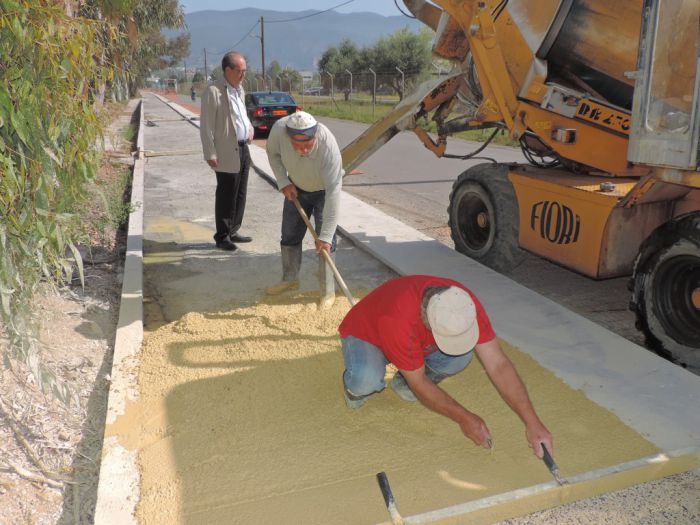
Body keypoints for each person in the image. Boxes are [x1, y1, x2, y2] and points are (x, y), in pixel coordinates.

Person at [337, 275, 553, 457]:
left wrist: (532, 422)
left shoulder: (462, 304)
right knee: (365, 379)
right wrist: (464, 418)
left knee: (460, 356)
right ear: (427, 321)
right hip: (367, 335)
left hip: (409, 340)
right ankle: (355, 392)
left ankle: (403, 384)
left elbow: (498, 364)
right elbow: (419, 383)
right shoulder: (398, 319)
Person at [264, 111, 344, 308]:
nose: (303, 151)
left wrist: (324, 236)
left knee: (327, 243)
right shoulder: (279, 131)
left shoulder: (328, 146)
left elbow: (334, 192)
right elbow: (272, 155)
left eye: (307, 145)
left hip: (324, 192)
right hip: (296, 188)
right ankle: (290, 278)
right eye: (297, 146)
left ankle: (327, 291)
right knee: (289, 235)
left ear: (315, 136)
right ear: (288, 137)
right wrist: (283, 182)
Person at [199, 51, 254, 251]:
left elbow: (242, 116)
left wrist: (250, 128)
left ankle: (233, 229)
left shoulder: (240, 90)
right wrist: (210, 153)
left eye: (245, 71)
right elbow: (206, 126)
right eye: (239, 71)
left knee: (240, 192)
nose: (243, 75)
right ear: (228, 70)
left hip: (243, 148)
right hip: (225, 150)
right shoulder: (214, 91)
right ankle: (222, 236)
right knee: (226, 193)